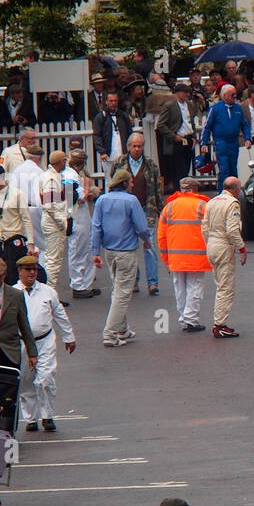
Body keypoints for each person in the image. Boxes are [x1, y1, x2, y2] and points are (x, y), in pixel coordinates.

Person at [91, 167, 152, 348]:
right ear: (125, 183)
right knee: (122, 293)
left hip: (109, 251)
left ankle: (122, 329)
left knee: (117, 289)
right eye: (131, 181)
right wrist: (147, 241)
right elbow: (141, 227)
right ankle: (110, 333)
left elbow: (96, 227)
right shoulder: (131, 200)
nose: (133, 184)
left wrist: (95, 252)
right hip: (126, 251)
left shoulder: (102, 199)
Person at [14, 255, 74, 433]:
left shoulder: (48, 291)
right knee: (26, 381)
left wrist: (68, 336)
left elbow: (60, 314)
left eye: (34, 269)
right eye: (28, 269)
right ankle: (30, 418)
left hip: (45, 340)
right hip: (22, 343)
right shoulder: (13, 292)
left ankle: (48, 416)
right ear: (20, 271)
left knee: (45, 378)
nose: (32, 272)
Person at [108, 131, 164, 297]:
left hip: (147, 210)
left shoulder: (151, 165)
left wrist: (162, 210)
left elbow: (157, 191)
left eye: (140, 146)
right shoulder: (119, 163)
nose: (137, 149)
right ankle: (134, 281)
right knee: (130, 248)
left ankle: (153, 283)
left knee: (149, 246)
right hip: (125, 212)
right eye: (134, 146)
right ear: (128, 147)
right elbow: (113, 185)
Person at [157, 177, 211, 333]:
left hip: (175, 256)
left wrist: (166, 257)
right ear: (195, 189)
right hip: (197, 256)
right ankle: (190, 319)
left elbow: (161, 235)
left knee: (179, 288)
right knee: (195, 287)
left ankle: (184, 318)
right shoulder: (203, 206)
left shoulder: (169, 207)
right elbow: (211, 230)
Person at [201, 177, 246, 340]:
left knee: (220, 284)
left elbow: (204, 226)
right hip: (223, 245)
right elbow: (232, 230)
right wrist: (241, 248)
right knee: (226, 288)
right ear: (235, 189)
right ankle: (220, 325)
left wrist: (209, 242)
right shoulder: (232, 203)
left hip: (211, 244)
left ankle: (219, 323)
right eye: (239, 188)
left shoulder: (212, 202)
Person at [0, 165, 37, 281]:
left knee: (12, 275)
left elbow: (26, 220)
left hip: (14, 239)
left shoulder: (17, 194)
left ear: (0, 177)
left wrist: (30, 244)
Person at [0, 257, 37, 370]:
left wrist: (32, 354)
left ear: (5, 275)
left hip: (10, 353)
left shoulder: (16, 295)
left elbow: (24, 325)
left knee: (11, 386)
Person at [65, 150, 100, 298]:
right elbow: (78, 199)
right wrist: (87, 189)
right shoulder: (70, 176)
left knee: (85, 250)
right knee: (78, 251)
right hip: (77, 218)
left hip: (81, 218)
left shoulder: (71, 175)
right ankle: (79, 286)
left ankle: (85, 284)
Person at [202, 83, 249, 191]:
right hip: (221, 143)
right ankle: (221, 192)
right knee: (224, 170)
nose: (234, 97)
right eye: (232, 94)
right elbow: (207, 127)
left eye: (235, 94)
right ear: (224, 95)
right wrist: (204, 143)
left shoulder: (238, 108)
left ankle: (234, 192)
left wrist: (247, 138)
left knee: (233, 169)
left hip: (234, 142)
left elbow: (245, 125)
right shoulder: (215, 109)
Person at [37, 150, 70, 293]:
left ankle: (49, 292)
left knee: (52, 260)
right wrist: (61, 222)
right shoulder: (51, 179)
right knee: (53, 262)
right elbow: (49, 205)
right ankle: (49, 293)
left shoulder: (52, 176)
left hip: (51, 222)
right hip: (53, 224)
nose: (66, 163)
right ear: (60, 162)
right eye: (64, 160)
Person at [92, 89, 130, 168]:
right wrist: (102, 152)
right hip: (108, 155)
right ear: (106, 102)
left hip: (123, 155)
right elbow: (97, 135)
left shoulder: (123, 116)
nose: (113, 103)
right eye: (111, 101)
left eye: (115, 101)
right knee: (109, 179)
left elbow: (130, 133)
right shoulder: (101, 117)